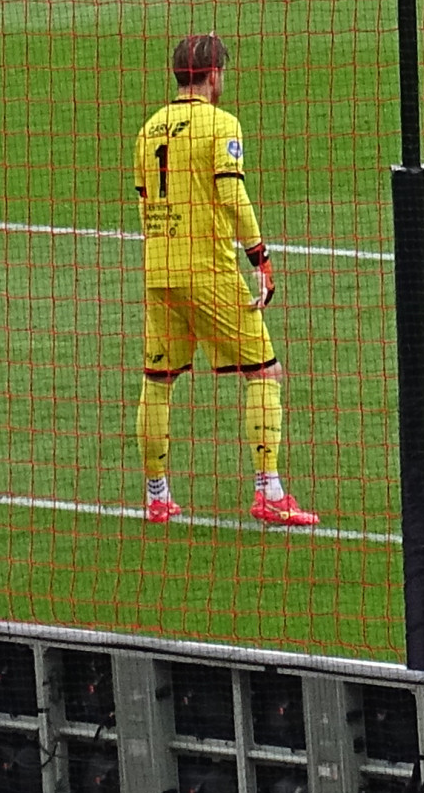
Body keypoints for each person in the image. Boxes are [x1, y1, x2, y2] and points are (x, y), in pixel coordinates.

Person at [134, 30, 317, 529]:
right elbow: (233, 196)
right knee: (264, 372)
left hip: (159, 270)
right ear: (214, 75)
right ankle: (270, 492)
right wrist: (260, 257)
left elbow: (144, 203)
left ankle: (157, 496)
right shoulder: (221, 124)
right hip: (208, 270)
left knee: (158, 383)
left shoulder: (149, 128)